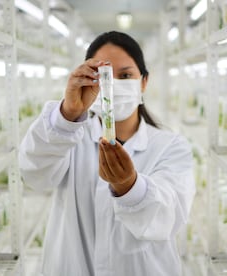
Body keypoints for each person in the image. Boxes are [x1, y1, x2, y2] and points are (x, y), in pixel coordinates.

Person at [19, 31, 196, 276]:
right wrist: (67, 116)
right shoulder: (68, 138)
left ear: (143, 82)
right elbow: (34, 174)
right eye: (103, 77)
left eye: (125, 75)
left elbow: (168, 217)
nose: (113, 86)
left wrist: (130, 187)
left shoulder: (171, 147)